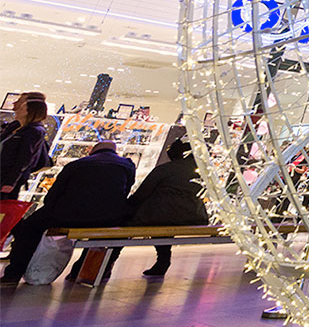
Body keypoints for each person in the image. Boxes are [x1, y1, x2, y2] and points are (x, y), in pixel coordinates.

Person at [72, 138, 208, 281]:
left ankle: (105, 264)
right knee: (162, 225)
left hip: (163, 215)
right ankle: (162, 262)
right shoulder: (202, 171)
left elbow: (142, 194)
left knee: (122, 227)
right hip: (194, 216)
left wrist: (126, 207)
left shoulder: (166, 169)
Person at [1, 140, 135, 287]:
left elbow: (53, 195)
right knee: (117, 232)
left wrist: (52, 209)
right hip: (108, 217)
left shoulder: (77, 165)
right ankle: (82, 270)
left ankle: (13, 273)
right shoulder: (127, 165)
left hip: (68, 215)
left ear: (92, 151)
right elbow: (126, 190)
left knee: (29, 228)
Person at [1, 94, 50, 200]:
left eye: (23, 108)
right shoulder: (15, 127)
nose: (18, 110)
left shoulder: (34, 131)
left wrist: (11, 181)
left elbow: (24, 157)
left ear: (30, 112)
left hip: (7, 178)